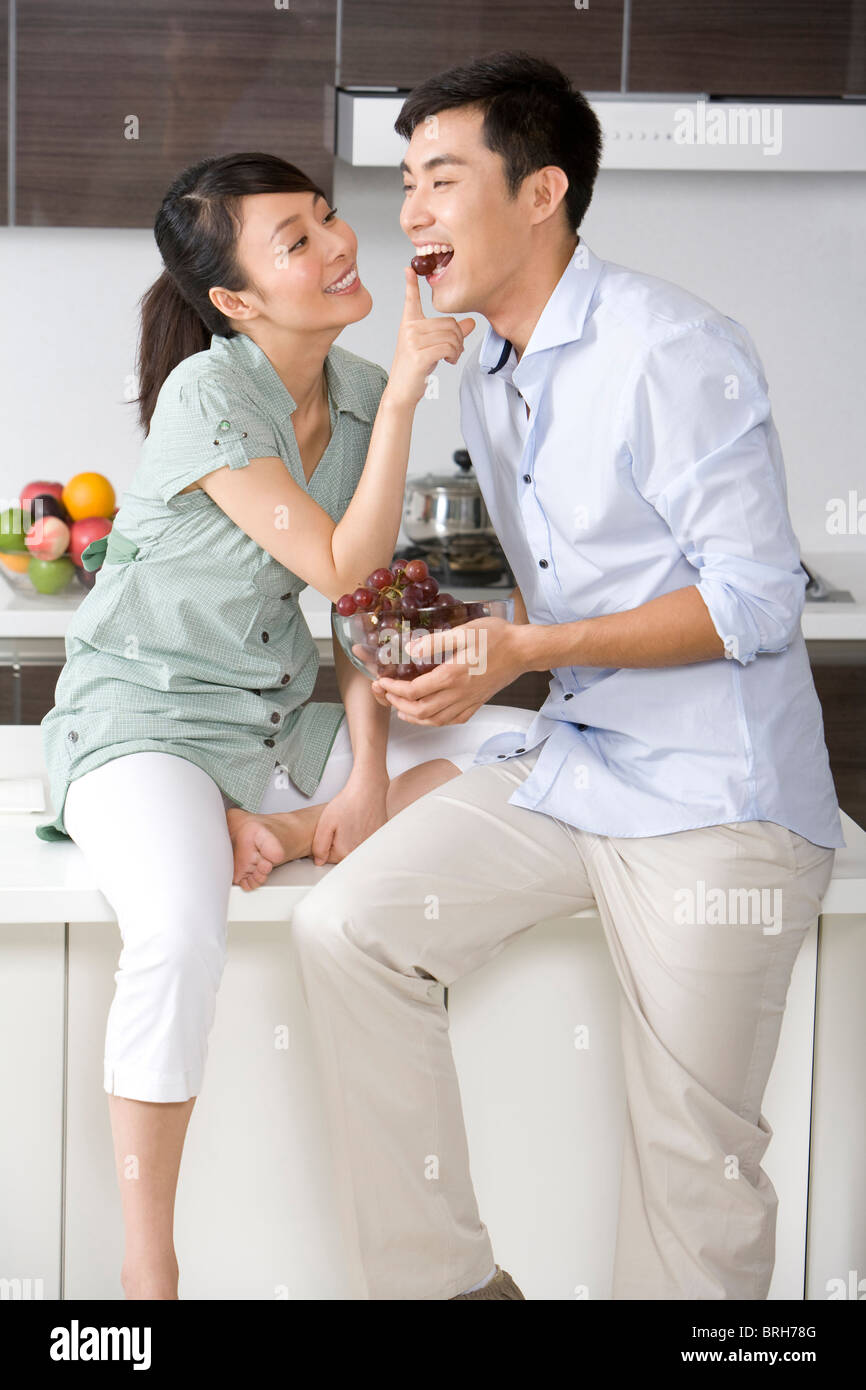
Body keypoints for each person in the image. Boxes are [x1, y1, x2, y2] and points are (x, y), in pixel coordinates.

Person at [287, 53, 845, 1300]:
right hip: (583, 763)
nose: (411, 210)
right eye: (405, 181)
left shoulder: (668, 348)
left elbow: (753, 602)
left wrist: (526, 650)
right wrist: (468, 651)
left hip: (717, 799)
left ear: (540, 194)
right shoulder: (484, 364)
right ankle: (449, 1288)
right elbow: (560, 581)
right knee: (346, 929)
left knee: (690, 1154)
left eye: (441, 178)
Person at [35, 151, 533, 1300]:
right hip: (141, 720)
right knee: (175, 927)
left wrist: (360, 783)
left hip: (268, 730)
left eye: (324, 218)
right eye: (294, 241)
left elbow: (367, 604)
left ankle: (286, 828)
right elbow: (331, 556)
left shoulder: (354, 389)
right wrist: (412, 387)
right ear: (235, 299)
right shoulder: (211, 395)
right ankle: (147, 1265)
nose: (336, 244)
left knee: (522, 753)